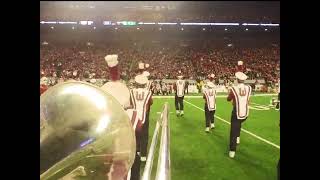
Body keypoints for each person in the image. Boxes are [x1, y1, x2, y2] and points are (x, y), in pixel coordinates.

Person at [227, 72, 252, 158]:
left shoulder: (234, 88)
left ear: (237, 80)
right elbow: (248, 99)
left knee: (233, 130)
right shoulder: (249, 88)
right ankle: (238, 138)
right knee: (239, 124)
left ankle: (232, 150)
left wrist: (230, 95)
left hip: (236, 111)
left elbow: (228, 98)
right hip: (245, 112)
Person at [129, 75, 153, 166]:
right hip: (144, 115)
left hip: (134, 115)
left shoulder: (132, 91)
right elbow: (151, 102)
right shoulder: (148, 92)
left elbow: (131, 103)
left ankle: (137, 151)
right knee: (144, 135)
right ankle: (143, 156)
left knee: (135, 134)